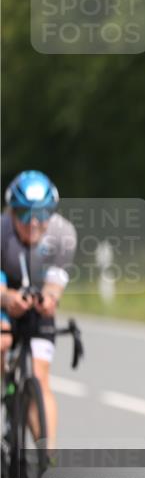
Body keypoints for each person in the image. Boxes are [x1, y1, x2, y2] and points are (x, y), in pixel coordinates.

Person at [0, 171, 77, 451]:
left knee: (41, 377)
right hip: (5, 297)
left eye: (42, 214)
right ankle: (5, 385)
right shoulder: (1, 232)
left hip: (36, 302)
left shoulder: (63, 234)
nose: (33, 223)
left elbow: (55, 283)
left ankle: (48, 459)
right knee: (2, 340)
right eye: (23, 214)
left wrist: (49, 299)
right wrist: (8, 298)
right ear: (11, 212)